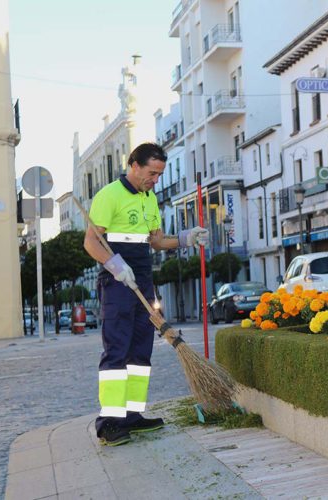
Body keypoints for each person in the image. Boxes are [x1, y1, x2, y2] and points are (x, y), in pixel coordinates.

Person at [83, 143, 208, 446]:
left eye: (160, 174)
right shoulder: (109, 195)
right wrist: (114, 265)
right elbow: (91, 242)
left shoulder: (150, 199)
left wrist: (184, 238)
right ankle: (109, 423)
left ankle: (132, 416)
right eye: (152, 173)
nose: (155, 180)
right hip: (117, 283)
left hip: (143, 280)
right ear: (134, 165)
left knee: (141, 351)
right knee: (118, 349)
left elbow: (156, 242)